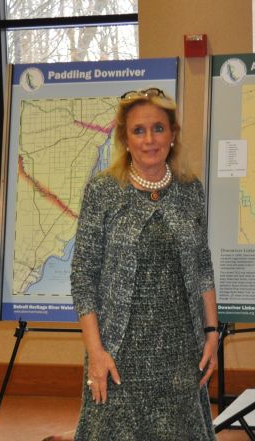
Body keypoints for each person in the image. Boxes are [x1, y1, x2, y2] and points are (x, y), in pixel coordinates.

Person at [70, 87, 219, 440]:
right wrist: (96, 353)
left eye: (158, 128)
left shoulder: (189, 189)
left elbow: (202, 265)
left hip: (181, 354)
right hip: (118, 355)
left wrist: (212, 333)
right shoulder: (103, 191)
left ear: (172, 134)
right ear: (125, 137)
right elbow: (83, 276)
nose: (149, 139)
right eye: (138, 130)